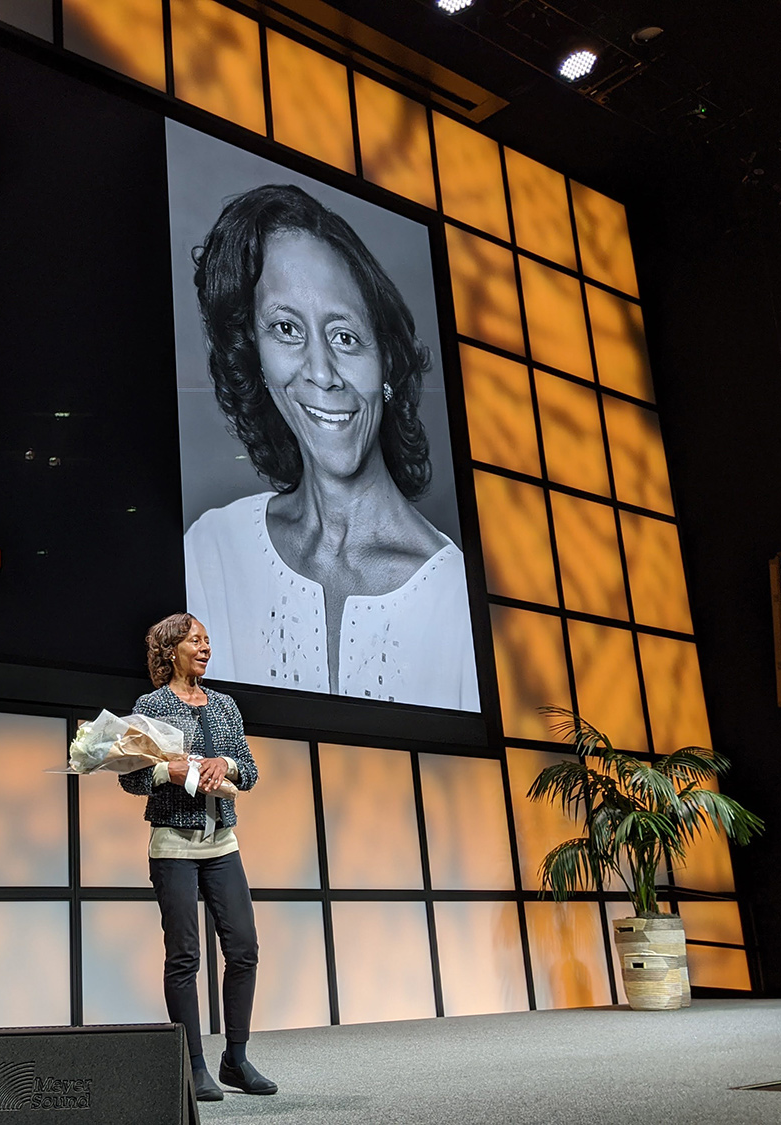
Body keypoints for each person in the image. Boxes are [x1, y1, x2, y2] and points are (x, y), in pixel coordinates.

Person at [184, 184, 479, 708]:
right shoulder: (211, 554)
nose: (322, 373)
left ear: (386, 360)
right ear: (255, 356)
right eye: (286, 329)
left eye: (344, 336)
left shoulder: (459, 598)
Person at [119, 613, 276, 1101]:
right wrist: (171, 770)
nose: (205, 648)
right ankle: (192, 1066)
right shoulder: (152, 704)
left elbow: (247, 771)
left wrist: (222, 762)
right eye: (195, 641)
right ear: (171, 651)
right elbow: (131, 778)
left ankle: (236, 1058)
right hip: (173, 845)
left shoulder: (226, 705)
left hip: (222, 843)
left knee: (243, 948)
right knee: (185, 955)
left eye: (208, 641)